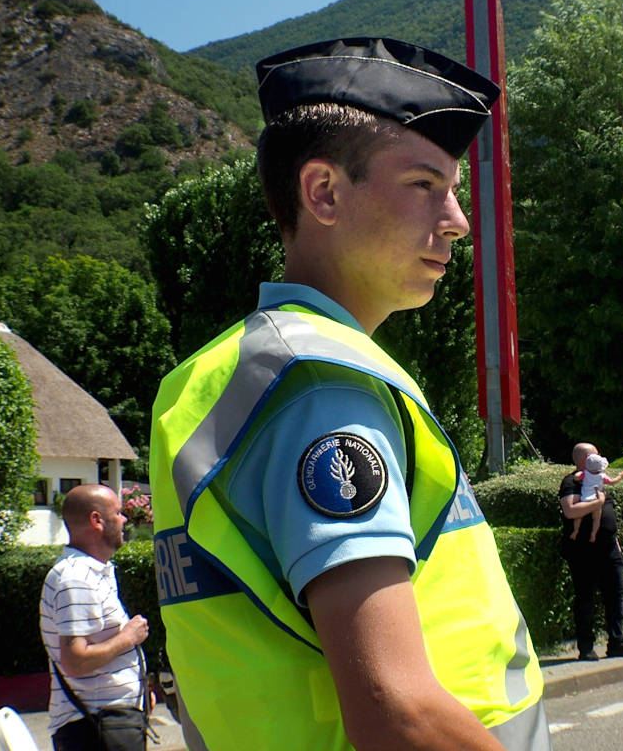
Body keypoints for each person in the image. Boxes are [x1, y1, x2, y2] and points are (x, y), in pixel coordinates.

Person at [147, 38, 547, 751]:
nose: (456, 219)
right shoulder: (323, 387)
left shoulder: (225, 371)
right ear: (324, 192)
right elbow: (394, 709)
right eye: (426, 185)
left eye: (452, 191)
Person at [40, 485, 150, 751]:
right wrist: (128, 638)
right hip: (96, 729)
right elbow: (76, 661)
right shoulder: (76, 578)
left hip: (105, 723)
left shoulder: (90, 572)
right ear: (96, 520)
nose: (125, 520)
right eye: (118, 513)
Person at [559, 443, 623, 660]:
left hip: (609, 547)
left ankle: (617, 643)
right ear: (584, 460)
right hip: (584, 551)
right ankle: (586, 648)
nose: (600, 458)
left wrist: (616, 541)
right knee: (585, 598)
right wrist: (597, 504)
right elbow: (570, 510)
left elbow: (607, 512)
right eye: (596, 455)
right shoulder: (572, 482)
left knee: (615, 594)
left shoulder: (598, 479)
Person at [568, 453, 623, 542]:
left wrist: (579, 473)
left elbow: (576, 478)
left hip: (584, 499)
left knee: (578, 517)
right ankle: (593, 534)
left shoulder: (585, 474)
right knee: (596, 519)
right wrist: (620, 476)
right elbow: (612, 482)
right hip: (596, 499)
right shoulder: (602, 476)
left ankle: (576, 531)